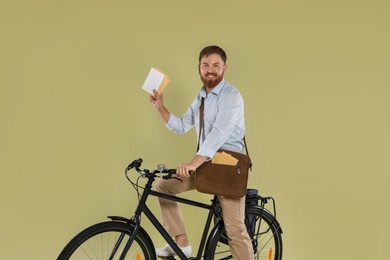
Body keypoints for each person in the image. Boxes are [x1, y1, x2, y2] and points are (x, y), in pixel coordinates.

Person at [149, 45, 254, 259]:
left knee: (234, 230)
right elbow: (181, 126)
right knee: (164, 186)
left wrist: (192, 164)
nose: (210, 69)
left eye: (216, 65)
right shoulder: (201, 97)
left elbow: (218, 134)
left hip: (227, 167)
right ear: (199, 68)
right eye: (205, 65)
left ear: (224, 68)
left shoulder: (231, 96)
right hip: (207, 164)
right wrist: (161, 107)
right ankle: (181, 243)